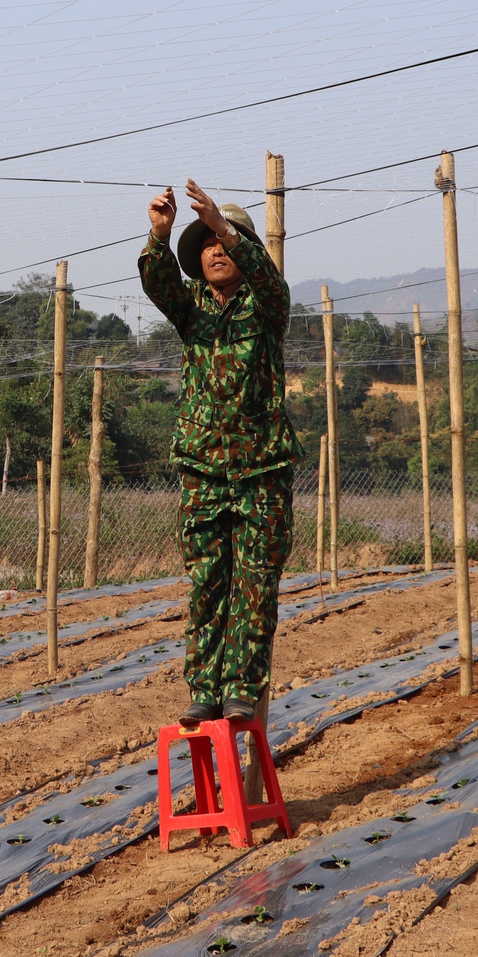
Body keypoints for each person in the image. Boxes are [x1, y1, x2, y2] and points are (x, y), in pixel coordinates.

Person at [139, 180, 301, 726]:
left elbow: (270, 281)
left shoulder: (268, 308)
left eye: (220, 241)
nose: (212, 250)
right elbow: (159, 284)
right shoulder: (192, 310)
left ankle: (240, 687)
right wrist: (159, 237)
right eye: (203, 242)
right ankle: (204, 687)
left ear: (239, 248)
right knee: (208, 583)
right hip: (204, 471)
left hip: (262, 471)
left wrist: (226, 228)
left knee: (255, 585)